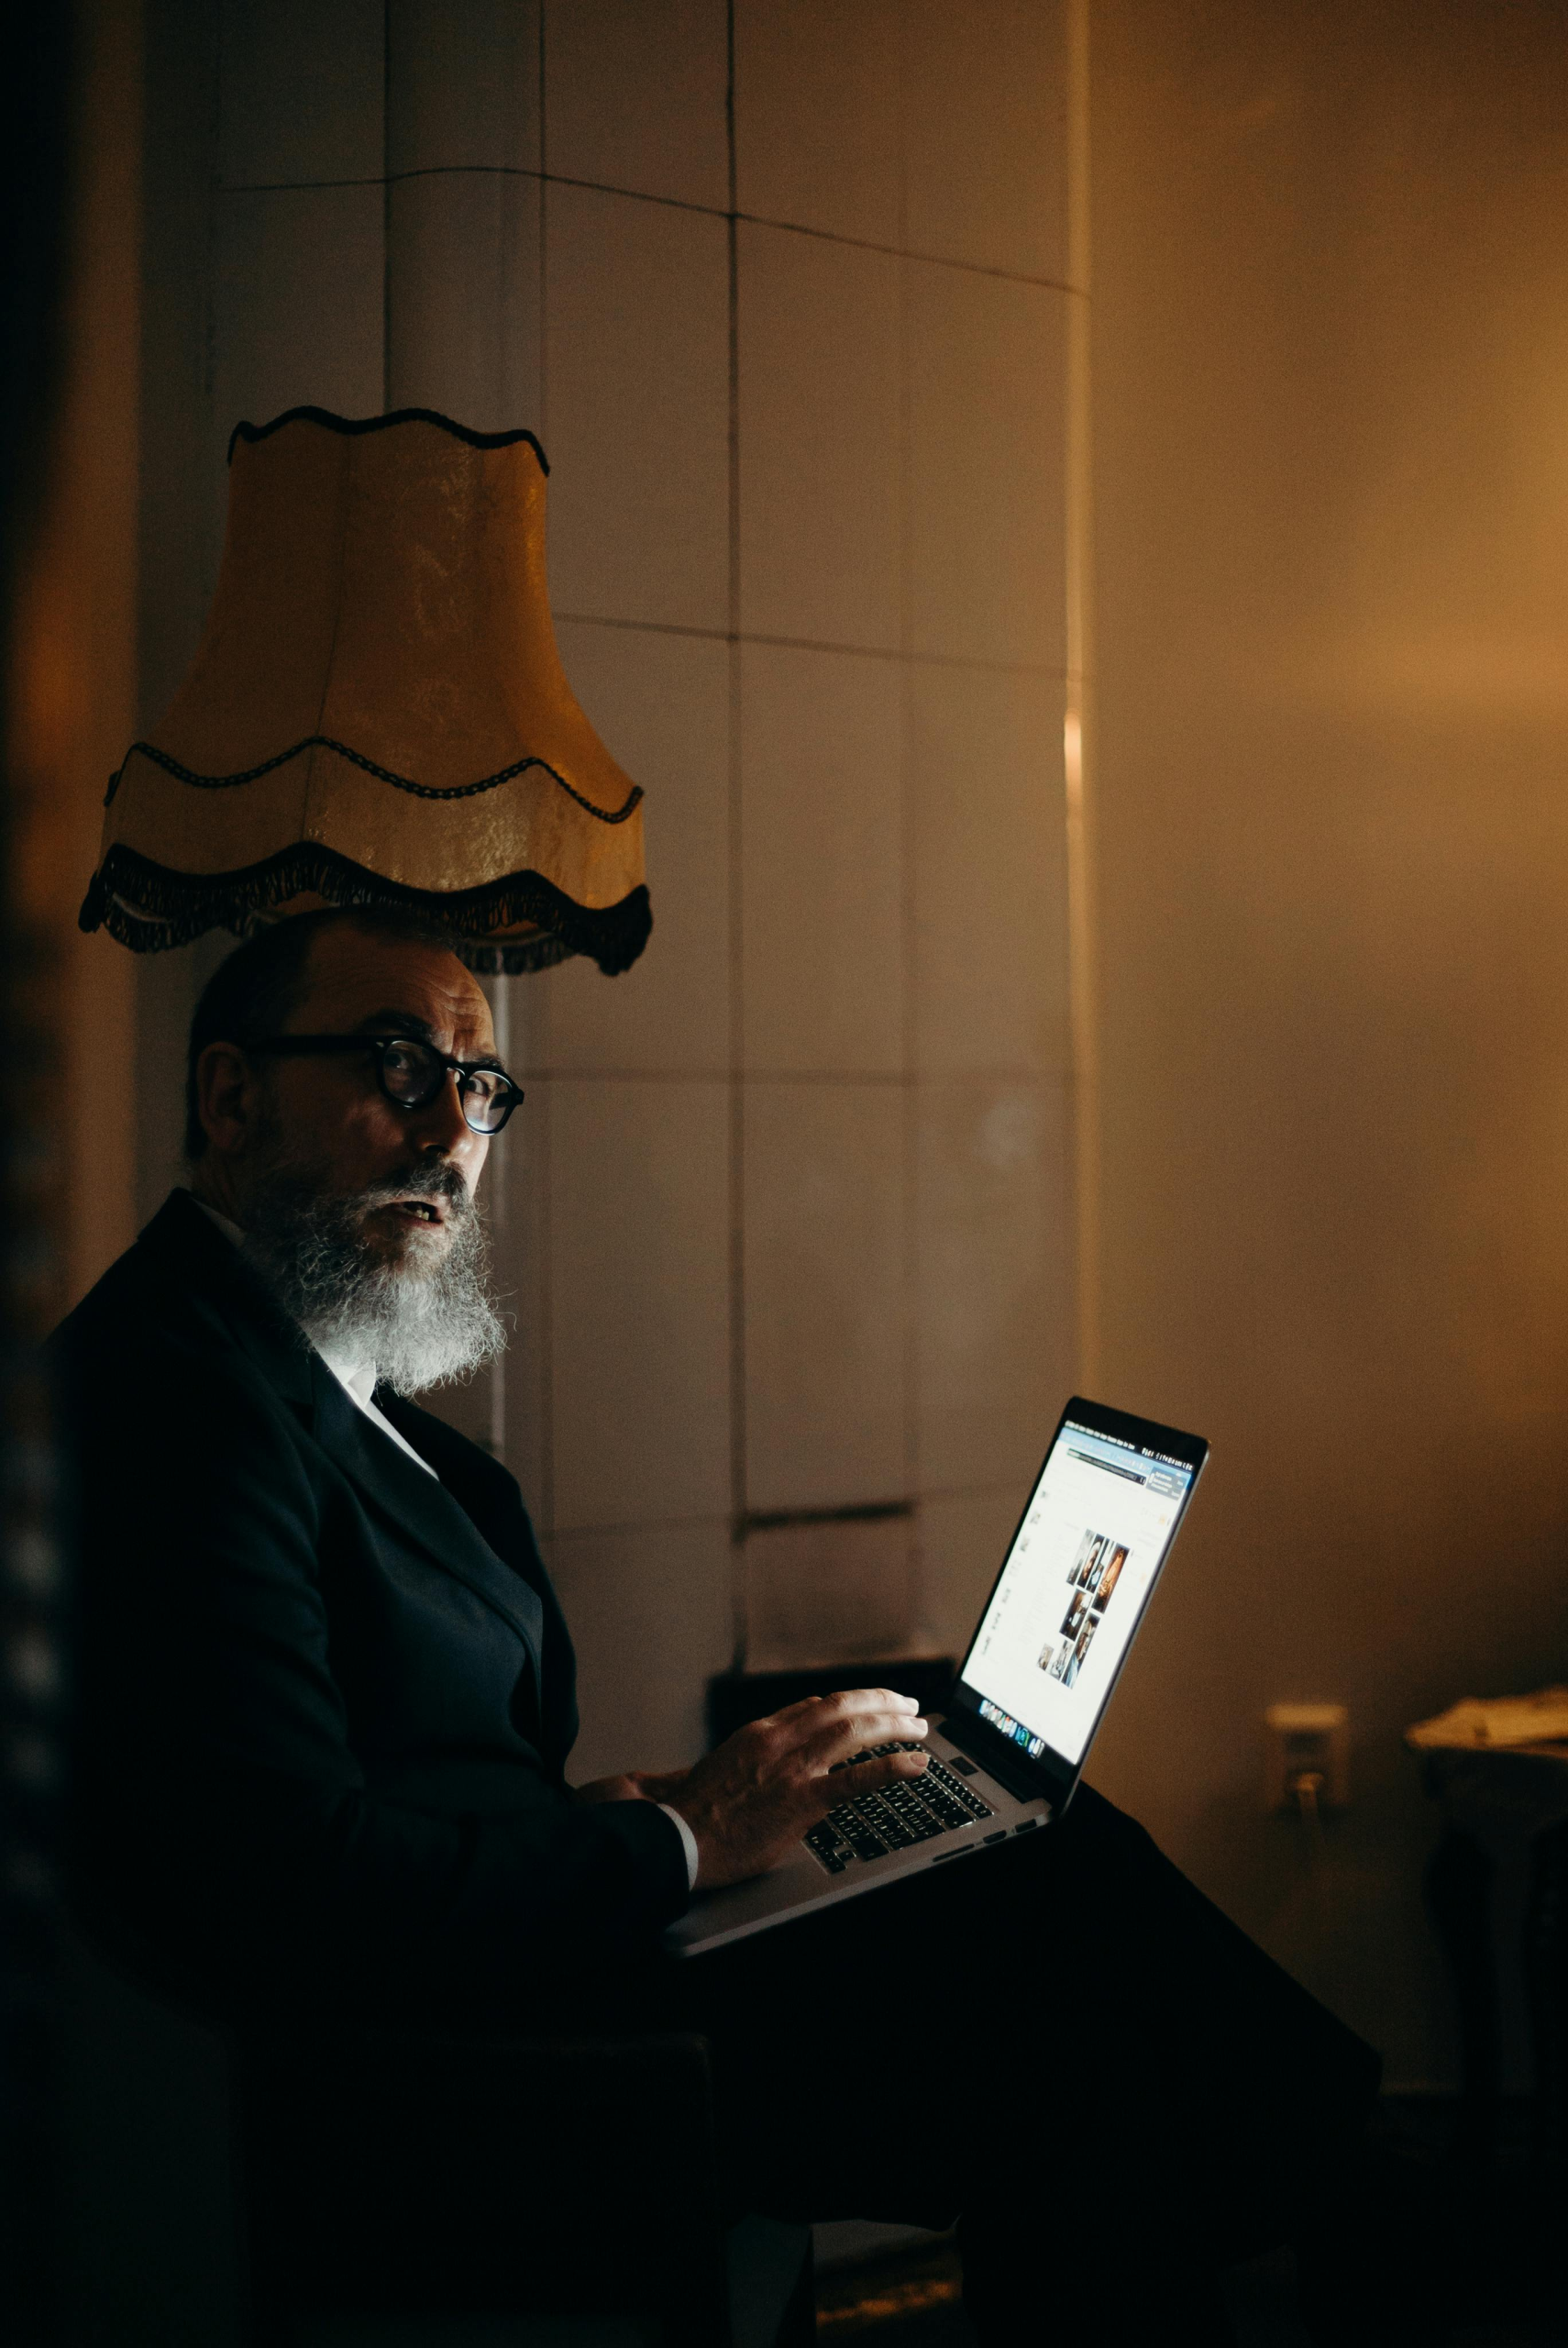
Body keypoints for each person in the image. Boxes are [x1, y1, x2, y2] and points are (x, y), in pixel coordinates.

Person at [52, 911, 1397, 2346]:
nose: (451, 1133)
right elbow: (293, 1882)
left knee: (1052, 1948)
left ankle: (1340, 2182)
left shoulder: (288, 1371)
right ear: (231, 1095)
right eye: (396, 1065)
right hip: (448, 2079)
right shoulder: (172, 1399)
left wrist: (632, 1812)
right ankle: (1362, 2191)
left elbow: (381, 1769)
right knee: (1054, 1935)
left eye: (479, 1084)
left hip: (515, 1975)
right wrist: (689, 1839)